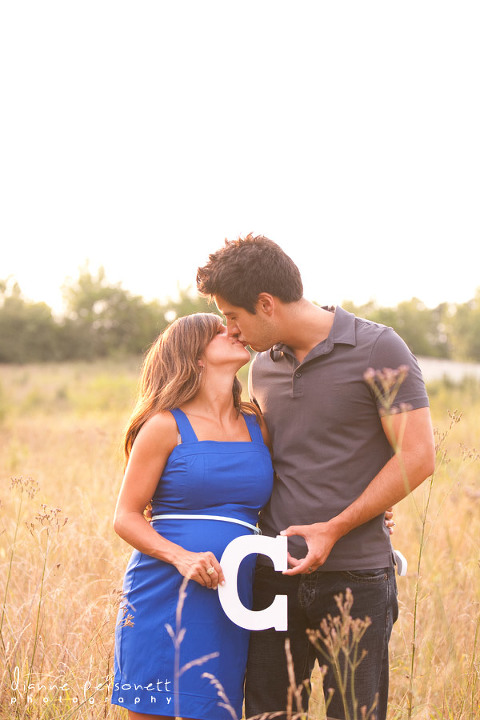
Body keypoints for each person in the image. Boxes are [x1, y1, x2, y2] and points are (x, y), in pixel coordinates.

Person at [196, 235, 436, 720]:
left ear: (266, 304)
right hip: (273, 574)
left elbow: (417, 456)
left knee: (354, 713)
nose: (232, 331)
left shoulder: (379, 349)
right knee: (269, 714)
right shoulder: (262, 366)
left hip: (357, 577)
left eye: (233, 317)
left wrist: (337, 525)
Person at [111, 312, 274, 720]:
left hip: (230, 594)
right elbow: (126, 517)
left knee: (216, 707)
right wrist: (181, 557)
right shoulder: (165, 426)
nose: (235, 331)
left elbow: (295, 491)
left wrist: (374, 514)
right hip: (164, 589)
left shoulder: (258, 424)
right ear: (196, 356)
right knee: (153, 711)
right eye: (221, 331)